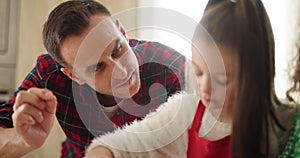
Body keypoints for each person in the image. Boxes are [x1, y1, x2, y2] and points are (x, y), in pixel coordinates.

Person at [85, 0, 300, 157]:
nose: (205, 89)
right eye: (198, 72)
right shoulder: (185, 112)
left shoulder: (288, 125)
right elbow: (115, 146)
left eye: (223, 80)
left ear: (257, 74)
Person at [0, 0, 186, 157]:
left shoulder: (167, 64)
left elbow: (211, 117)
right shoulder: (49, 75)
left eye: (117, 49)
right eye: (97, 67)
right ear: (73, 75)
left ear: (122, 32)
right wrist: (22, 140)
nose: (121, 72)